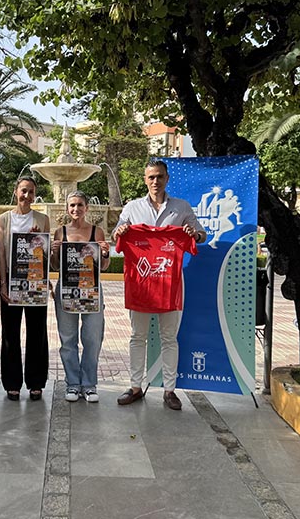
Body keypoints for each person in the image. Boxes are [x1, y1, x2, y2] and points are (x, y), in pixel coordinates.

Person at [112, 159, 205, 411]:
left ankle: (169, 390)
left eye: (160, 177)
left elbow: (201, 234)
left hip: (170, 285)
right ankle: (135, 387)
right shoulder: (132, 207)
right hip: (141, 285)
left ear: (167, 178)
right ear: (145, 179)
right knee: (137, 337)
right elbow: (115, 235)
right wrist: (120, 232)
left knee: (169, 338)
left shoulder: (181, 207)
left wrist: (194, 234)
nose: (156, 181)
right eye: (151, 177)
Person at [50, 191, 110, 403]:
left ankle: (89, 384)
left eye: (80, 205)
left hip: (91, 290)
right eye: (72, 205)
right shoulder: (60, 232)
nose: (76, 209)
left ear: (87, 208)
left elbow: (103, 266)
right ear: (67, 209)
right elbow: (55, 266)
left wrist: (105, 253)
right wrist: (54, 251)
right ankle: (73, 384)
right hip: (67, 289)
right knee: (68, 339)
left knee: (92, 338)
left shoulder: (96, 231)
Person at [0, 177, 51, 401]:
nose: (27, 196)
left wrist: (37, 239)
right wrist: (3, 282)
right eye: (23, 191)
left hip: (35, 280)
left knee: (37, 332)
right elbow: (1, 253)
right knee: (10, 333)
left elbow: (46, 253)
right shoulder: (4, 218)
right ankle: (12, 383)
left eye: (31, 192)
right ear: (16, 191)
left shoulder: (43, 219)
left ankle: (36, 382)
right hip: (12, 280)